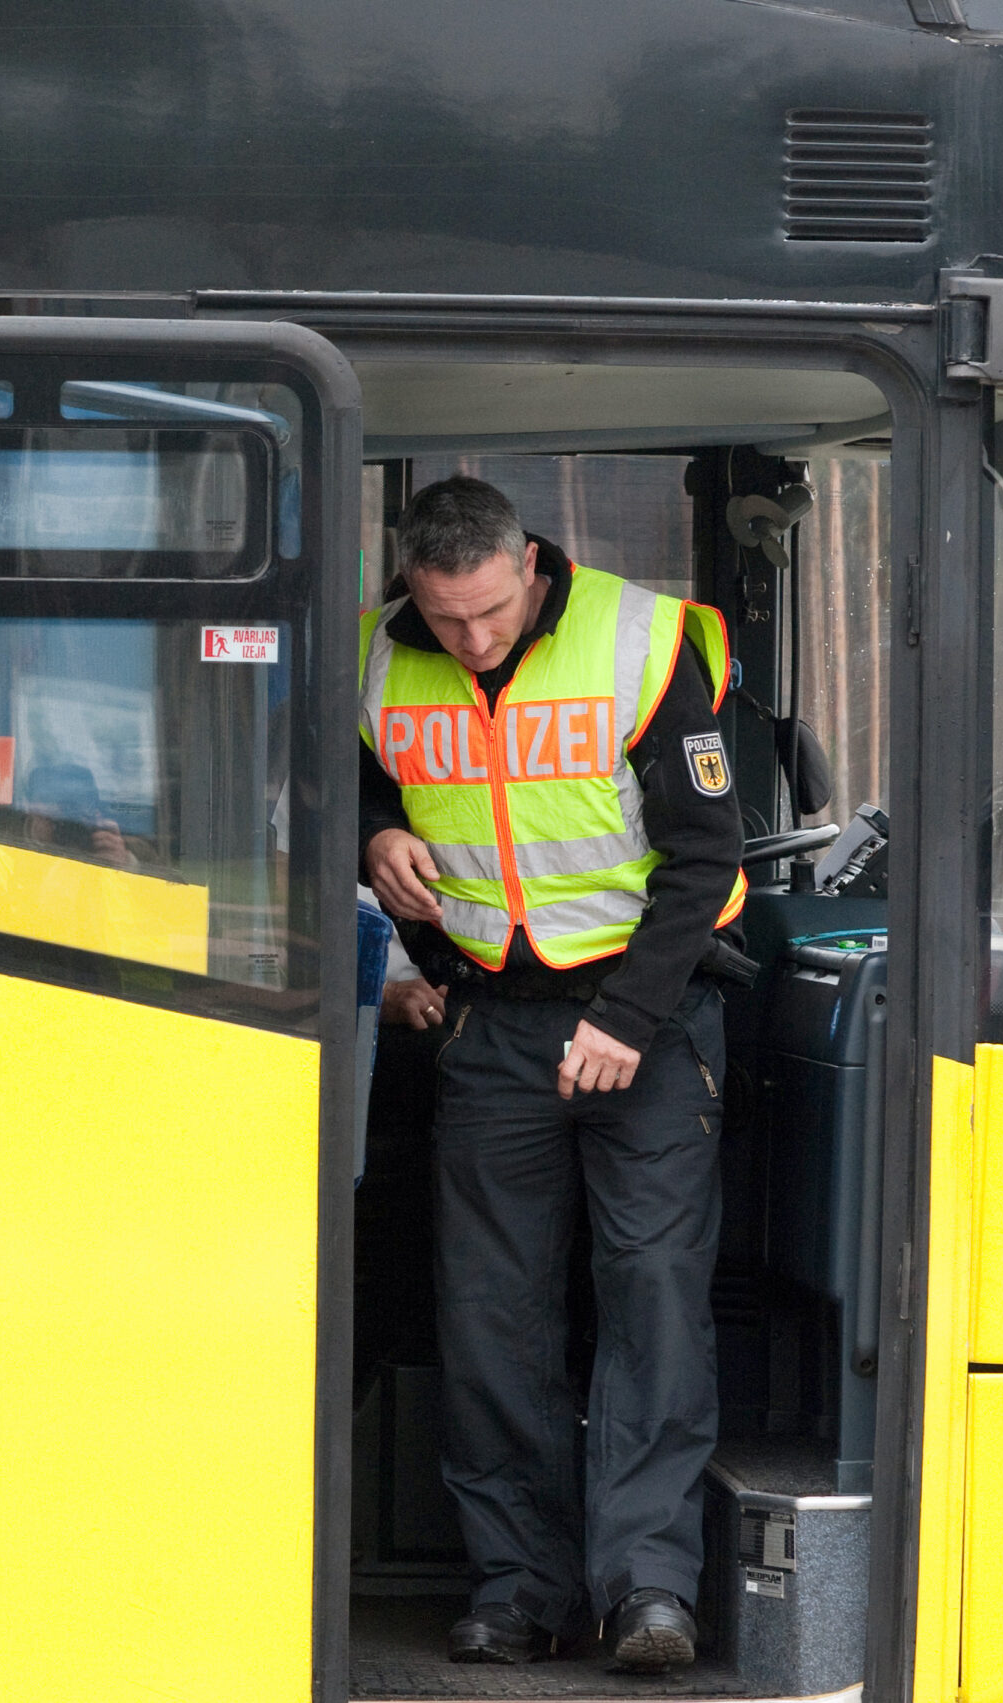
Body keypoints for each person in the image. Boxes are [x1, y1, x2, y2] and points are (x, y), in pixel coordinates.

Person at [358, 476, 746, 1674]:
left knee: (652, 1304)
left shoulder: (639, 643)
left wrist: (627, 1016)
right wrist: (375, 834)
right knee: (490, 1315)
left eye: (487, 612)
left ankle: (648, 1591)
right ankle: (516, 1585)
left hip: (646, 1018)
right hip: (490, 1027)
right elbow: (349, 779)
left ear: (527, 564)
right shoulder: (378, 655)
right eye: (444, 617)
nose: (469, 639)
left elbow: (705, 854)